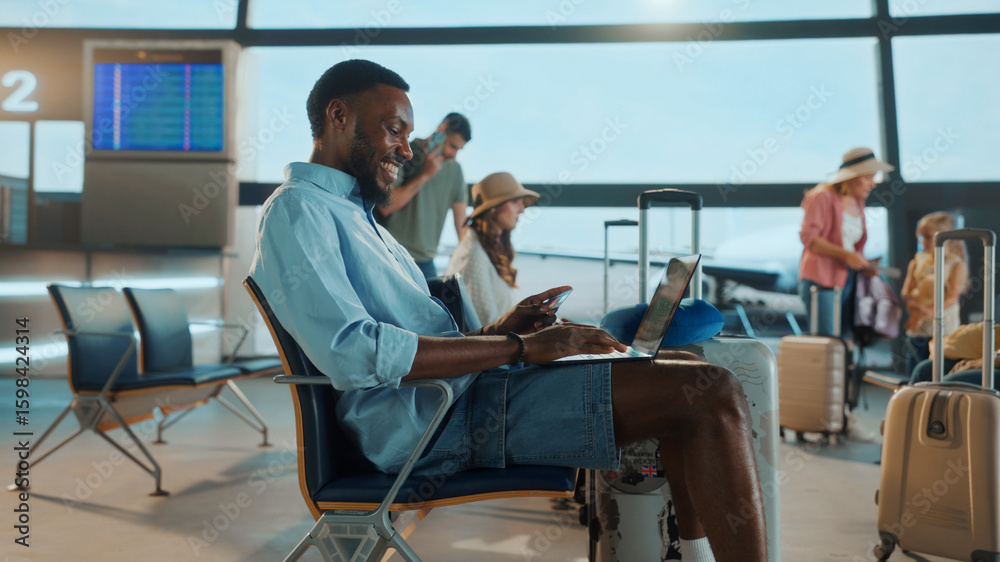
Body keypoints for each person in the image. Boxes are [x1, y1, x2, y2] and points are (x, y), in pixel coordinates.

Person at [249, 59, 766, 562]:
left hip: (460, 396)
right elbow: (354, 352)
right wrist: (516, 348)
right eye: (394, 131)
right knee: (713, 393)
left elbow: (408, 338)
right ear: (338, 117)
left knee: (696, 374)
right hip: (435, 426)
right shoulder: (299, 211)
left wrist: (501, 330)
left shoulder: (361, 219)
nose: (407, 150)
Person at [798, 147, 893, 337]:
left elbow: (851, 245)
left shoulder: (858, 202)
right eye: (868, 178)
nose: (872, 184)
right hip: (821, 279)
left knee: (845, 339)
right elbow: (808, 237)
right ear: (850, 177)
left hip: (847, 278)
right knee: (828, 342)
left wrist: (862, 262)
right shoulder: (821, 196)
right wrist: (848, 255)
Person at [376, 112, 472, 279]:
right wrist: (426, 175)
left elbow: (461, 225)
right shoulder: (404, 153)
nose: (453, 154)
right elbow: (385, 206)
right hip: (391, 253)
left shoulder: (455, 171)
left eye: (459, 150)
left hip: (426, 263)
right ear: (440, 131)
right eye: (453, 146)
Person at [445, 172, 538, 325]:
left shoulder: (487, 246)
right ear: (494, 208)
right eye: (515, 202)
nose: (522, 209)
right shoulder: (473, 254)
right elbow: (488, 324)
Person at [900, 211, 969, 376]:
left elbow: (952, 297)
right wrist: (916, 310)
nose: (924, 242)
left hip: (944, 332)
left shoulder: (956, 265)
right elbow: (906, 293)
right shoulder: (916, 262)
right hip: (918, 331)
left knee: (938, 375)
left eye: (928, 236)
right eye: (921, 237)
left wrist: (928, 312)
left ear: (945, 237)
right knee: (915, 374)